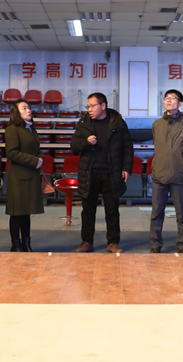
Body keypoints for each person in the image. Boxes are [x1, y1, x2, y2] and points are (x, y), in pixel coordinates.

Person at [70, 92, 133, 253]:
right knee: (88, 210)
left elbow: (127, 147)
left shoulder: (118, 123)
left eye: (93, 106)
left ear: (103, 105)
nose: (89, 109)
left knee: (112, 210)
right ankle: (86, 242)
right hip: (89, 173)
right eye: (88, 106)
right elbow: (74, 145)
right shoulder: (83, 123)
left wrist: (126, 168)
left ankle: (113, 242)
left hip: (111, 173)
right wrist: (86, 142)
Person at [149, 89, 183, 254]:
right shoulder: (157, 125)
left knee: (182, 214)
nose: (169, 100)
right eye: (166, 98)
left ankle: (182, 245)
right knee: (156, 213)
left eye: (173, 98)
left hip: (179, 175)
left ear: (180, 103)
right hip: (159, 174)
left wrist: (180, 161)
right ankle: (155, 244)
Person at [4, 99, 45, 252]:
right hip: (18, 178)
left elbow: (37, 150)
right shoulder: (12, 129)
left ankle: (26, 243)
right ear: (17, 113)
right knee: (17, 213)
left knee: (26, 212)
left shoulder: (31, 129)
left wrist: (41, 158)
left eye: (28, 107)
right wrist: (35, 161)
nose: (28, 110)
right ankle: (16, 244)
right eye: (24, 108)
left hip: (31, 176)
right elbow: (12, 153)